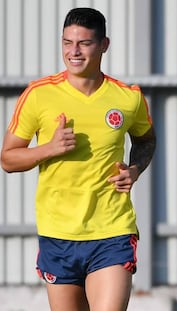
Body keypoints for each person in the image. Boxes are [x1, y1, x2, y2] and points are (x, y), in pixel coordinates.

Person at [1, 7, 155, 311]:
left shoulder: (128, 97)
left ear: (104, 45)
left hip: (112, 231)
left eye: (84, 43)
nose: (74, 52)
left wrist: (134, 170)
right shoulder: (38, 94)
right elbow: (8, 159)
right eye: (67, 42)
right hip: (58, 234)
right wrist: (48, 149)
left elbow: (146, 139)